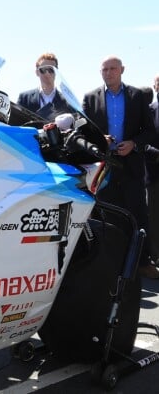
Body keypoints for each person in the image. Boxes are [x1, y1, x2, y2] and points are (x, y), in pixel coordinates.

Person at [82, 56, 159, 278]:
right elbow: (85, 130)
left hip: (132, 164)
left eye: (112, 68)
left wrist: (134, 143)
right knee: (106, 215)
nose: (108, 72)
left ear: (122, 70)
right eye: (104, 69)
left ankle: (143, 262)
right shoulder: (90, 98)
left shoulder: (136, 96)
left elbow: (149, 131)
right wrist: (100, 139)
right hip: (104, 166)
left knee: (137, 214)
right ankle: (110, 263)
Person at [17, 52, 72, 119]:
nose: (47, 73)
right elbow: (17, 122)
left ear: (56, 72)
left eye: (51, 70)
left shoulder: (67, 101)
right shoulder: (24, 98)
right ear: (37, 72)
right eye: (43, 70)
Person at [145, 75, 159, 260]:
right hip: (155, 173)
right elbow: (142, 142)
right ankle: (155, 256)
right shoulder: (148, 111)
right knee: (154, 218)